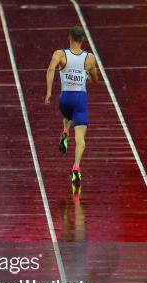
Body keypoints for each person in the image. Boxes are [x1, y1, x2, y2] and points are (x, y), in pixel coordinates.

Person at [44, 26, 99, 185]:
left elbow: (50, 69)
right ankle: (76, 167)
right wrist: (89, 75)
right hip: (80, 99)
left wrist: (48, 92)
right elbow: (95, 79)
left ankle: (65, 132)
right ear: (83, 39)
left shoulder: (60, 54)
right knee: (81, 139)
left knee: (67, 115)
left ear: (69, 37)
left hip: (64, 98)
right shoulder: (89, 58)